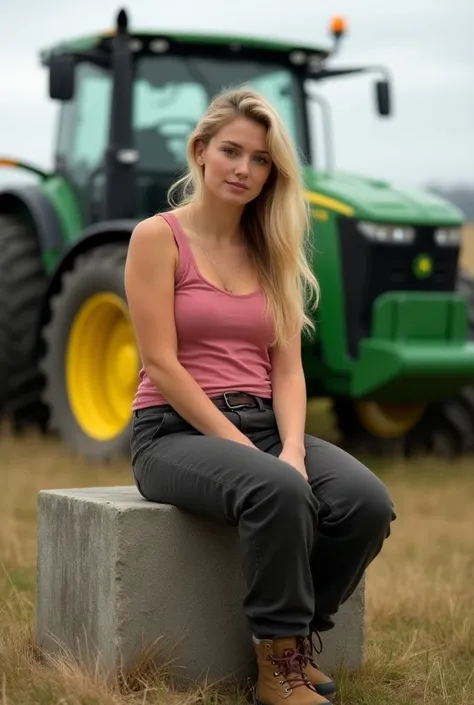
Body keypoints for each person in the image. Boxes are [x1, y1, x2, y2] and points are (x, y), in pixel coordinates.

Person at [124, 87, 396, 705]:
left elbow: (289, 372)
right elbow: (161, 365)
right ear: (200, 152)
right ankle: (278, 674)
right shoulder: (156, 238)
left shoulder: (274, 248)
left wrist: (294, 447)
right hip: (171, 430)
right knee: (275, 486)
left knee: (365, 503)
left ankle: (293, 640)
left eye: (262, 159)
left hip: (268, 423)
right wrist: (250, 451)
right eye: (231, 151)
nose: (245, 168)